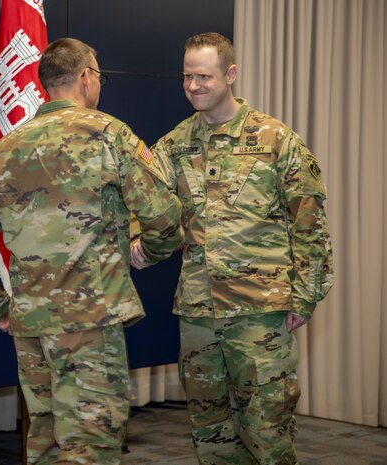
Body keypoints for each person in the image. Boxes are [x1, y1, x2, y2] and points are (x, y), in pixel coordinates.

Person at [0, 37, 184, 465]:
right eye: (99, 76)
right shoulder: (110, 136)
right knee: (91, 446)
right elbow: (166, 217)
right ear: (85, 77)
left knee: (44, 440)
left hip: (31, 326)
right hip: (90, 324)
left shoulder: (5, 150)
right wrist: (145, 253)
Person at [132, 32, 334, 464]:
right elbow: (144, 198)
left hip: (259, 312)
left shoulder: (275, 139)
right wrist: (138, 243)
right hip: (199, 313)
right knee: (211, 433)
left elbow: (310, 225)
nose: (193, 86)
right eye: (187, 76)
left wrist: (306, 295)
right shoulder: (175, 144)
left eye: (203, 75)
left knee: (267, 430)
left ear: (231, 74)